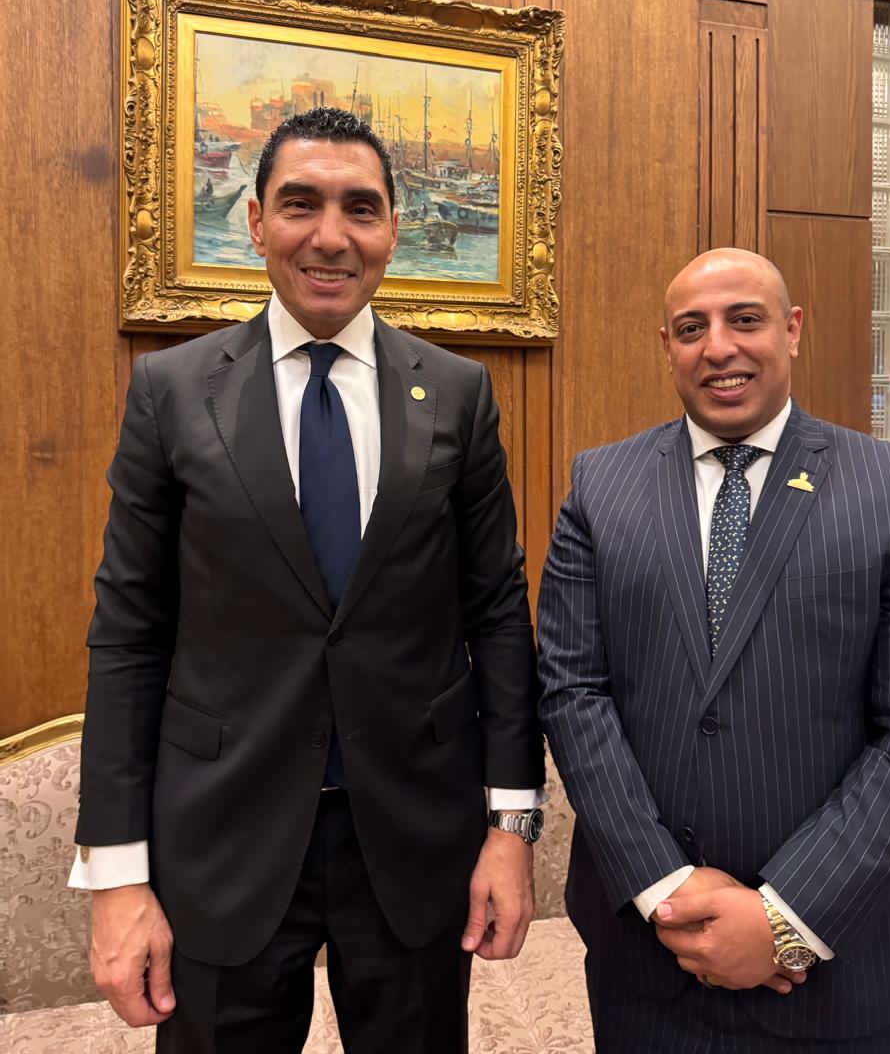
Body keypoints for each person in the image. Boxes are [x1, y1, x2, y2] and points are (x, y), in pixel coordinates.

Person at [71, 106, 545, 1054]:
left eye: (360, 209)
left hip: (414, 837)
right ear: (256, 223)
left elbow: (496, 614)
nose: (331, 236)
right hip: (223, 841)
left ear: (392, 230)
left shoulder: (457, 393)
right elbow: (129, 634)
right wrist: (117, 876)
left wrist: (512, 827)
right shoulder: (173, 392)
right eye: (300, 204)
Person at [537, 247, 890, 1053]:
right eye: (691, 328)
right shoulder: (600, 487)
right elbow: (571, 691)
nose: (719, 347)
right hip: (649, 958)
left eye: (745, 320)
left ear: (792, 330)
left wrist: (784, 918)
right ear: (667, 345)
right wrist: (667, 889)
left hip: (842, 962)